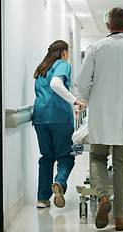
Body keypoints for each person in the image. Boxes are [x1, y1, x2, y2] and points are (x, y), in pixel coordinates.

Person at [77, 7, 123, 231]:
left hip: (101, 113)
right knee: (121, 164)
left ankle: (103, 198)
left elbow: (82, 82)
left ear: (108, 26)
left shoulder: (96, 48)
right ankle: (121, 218)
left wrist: (94, 100)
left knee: (97, 157)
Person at [32, 40, 85, 209]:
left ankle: (42, 199)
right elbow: (56, 84)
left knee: (46, 158)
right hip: (60, 118)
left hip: (41, 118)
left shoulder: (42, 68)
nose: (68, 56)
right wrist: (74, 100)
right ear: (63, 52)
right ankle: (60, 183)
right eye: (68, 52)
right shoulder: (62, 64)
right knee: (65, 156)